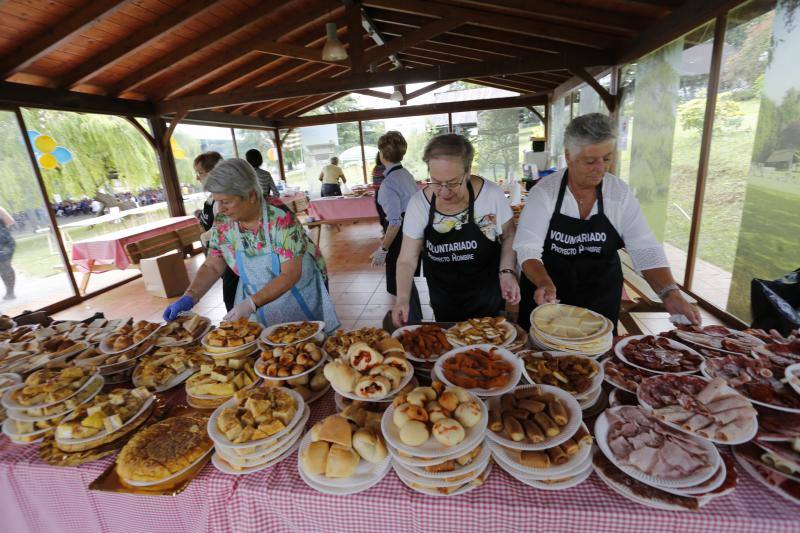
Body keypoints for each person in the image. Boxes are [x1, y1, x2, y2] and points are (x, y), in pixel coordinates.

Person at [513, 113, 700, 332]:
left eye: (607, 158)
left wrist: (670, 293)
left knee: (594, 359)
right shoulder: (545, 193)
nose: (601, 168)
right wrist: (543, 281)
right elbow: (527, 248)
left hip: (599, 298)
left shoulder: (619, 194)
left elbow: (645, 248)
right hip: (549, 298)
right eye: (590, 161)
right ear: (568, 157)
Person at [164, 159, 339, 332]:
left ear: (251, 195)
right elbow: (213, 265)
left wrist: (251, 304)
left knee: (303, 345)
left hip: (299, 292)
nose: (220, 208)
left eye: (226, 201)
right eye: (217, 201)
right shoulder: (224, 222)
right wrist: (190, 296)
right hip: (257, 297)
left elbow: (290, 274)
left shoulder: (280, 219)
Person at [391, 134, 521, 326]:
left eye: (452, 183)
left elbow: (509, 235)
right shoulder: (419, 205)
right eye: (435, 181)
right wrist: (402, 298)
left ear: (467, 171)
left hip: (487, 296)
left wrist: (507, 271)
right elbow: (407, 259)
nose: (443, 191)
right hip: (444, 298)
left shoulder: (490, 195)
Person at [370, 131, 423, 323]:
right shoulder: (406, 174)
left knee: (399, 283)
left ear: (382, 155)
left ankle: (412, 323)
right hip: (413, 231)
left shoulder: (388, 183)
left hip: (400, 237)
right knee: (405, 281)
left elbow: (394, 223)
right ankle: (415, 319)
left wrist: (383, 249)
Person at [193, 151, 239, 312]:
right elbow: (212, 265)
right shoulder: (212, 199)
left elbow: (226, 230)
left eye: (200, 173)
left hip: (231, 262)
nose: (197, 178)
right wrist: (190, 296)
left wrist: (204, 235)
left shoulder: (225, 203)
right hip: (220, 256)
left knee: (232, 300)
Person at [0, 207, 16, 300]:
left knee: (5, 266)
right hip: (5, 241)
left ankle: (10, 292)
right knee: (3, 268)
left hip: (4, 243)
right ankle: (9, 291)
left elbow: (10, 221)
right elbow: (9, 222)